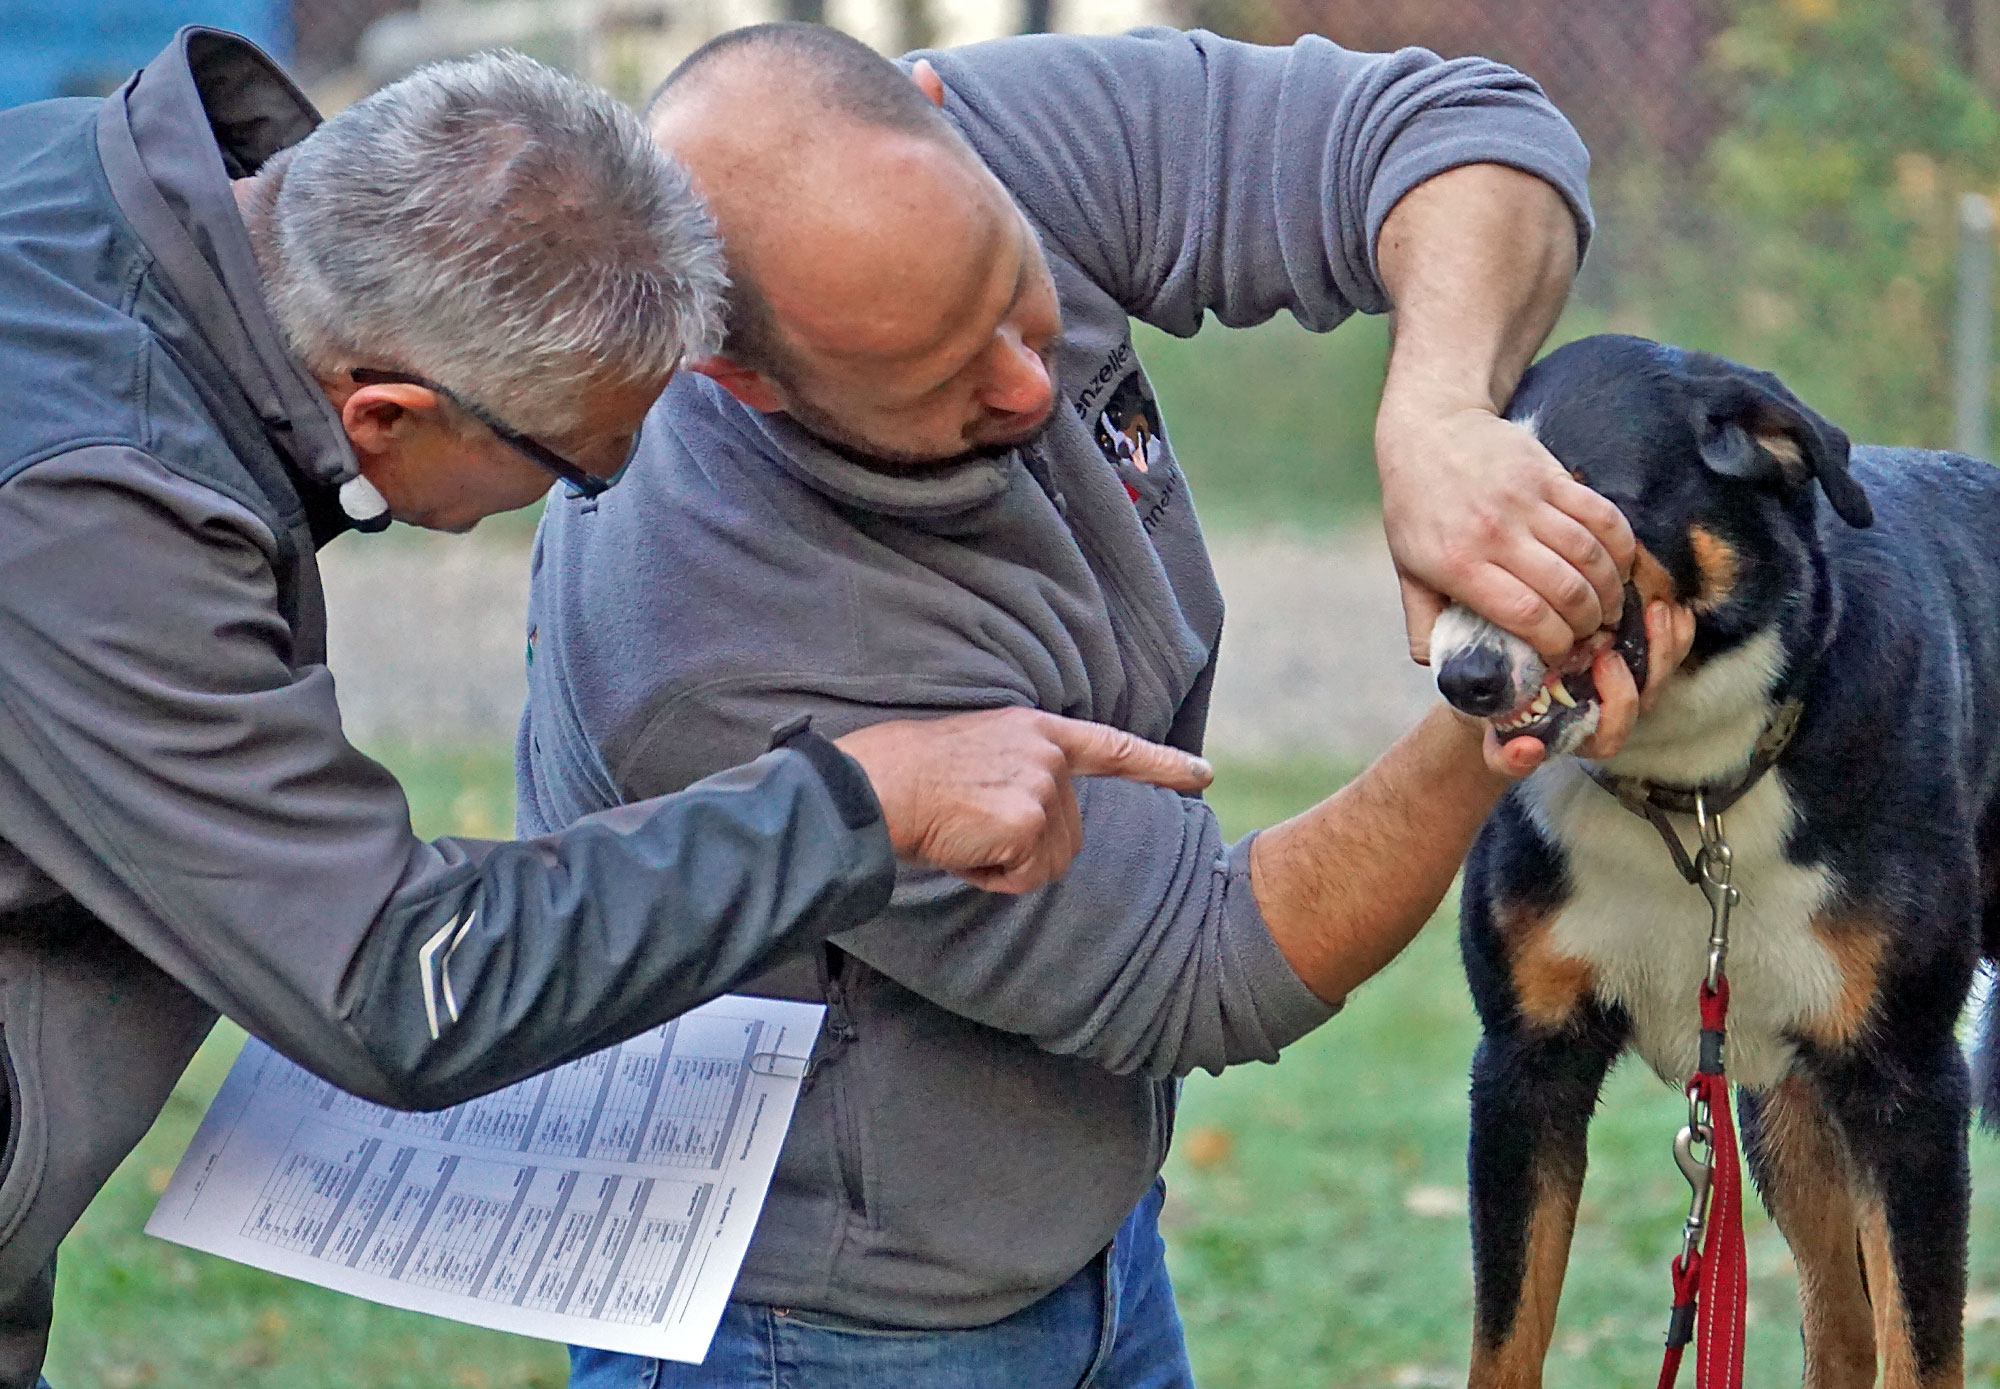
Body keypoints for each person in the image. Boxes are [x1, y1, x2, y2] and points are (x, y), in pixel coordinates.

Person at [0, 27, 1215, 1389]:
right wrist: (856, 800)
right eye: (584, 464)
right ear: (388, 413)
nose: (612, 496)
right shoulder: (93, 522)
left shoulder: (72, 199)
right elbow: (403, 981)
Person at [521, 21, 1696, 1389]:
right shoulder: (711, 628)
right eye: (941, 382)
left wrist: (1437, 409)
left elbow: (1472, 133)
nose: (1030, 384)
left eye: (1013, 290)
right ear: (739, 373)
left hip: (1083, 1231)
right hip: (825, 1326)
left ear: (944, 114)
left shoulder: (996, 132)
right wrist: (1497, 699)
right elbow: (1199, 964)